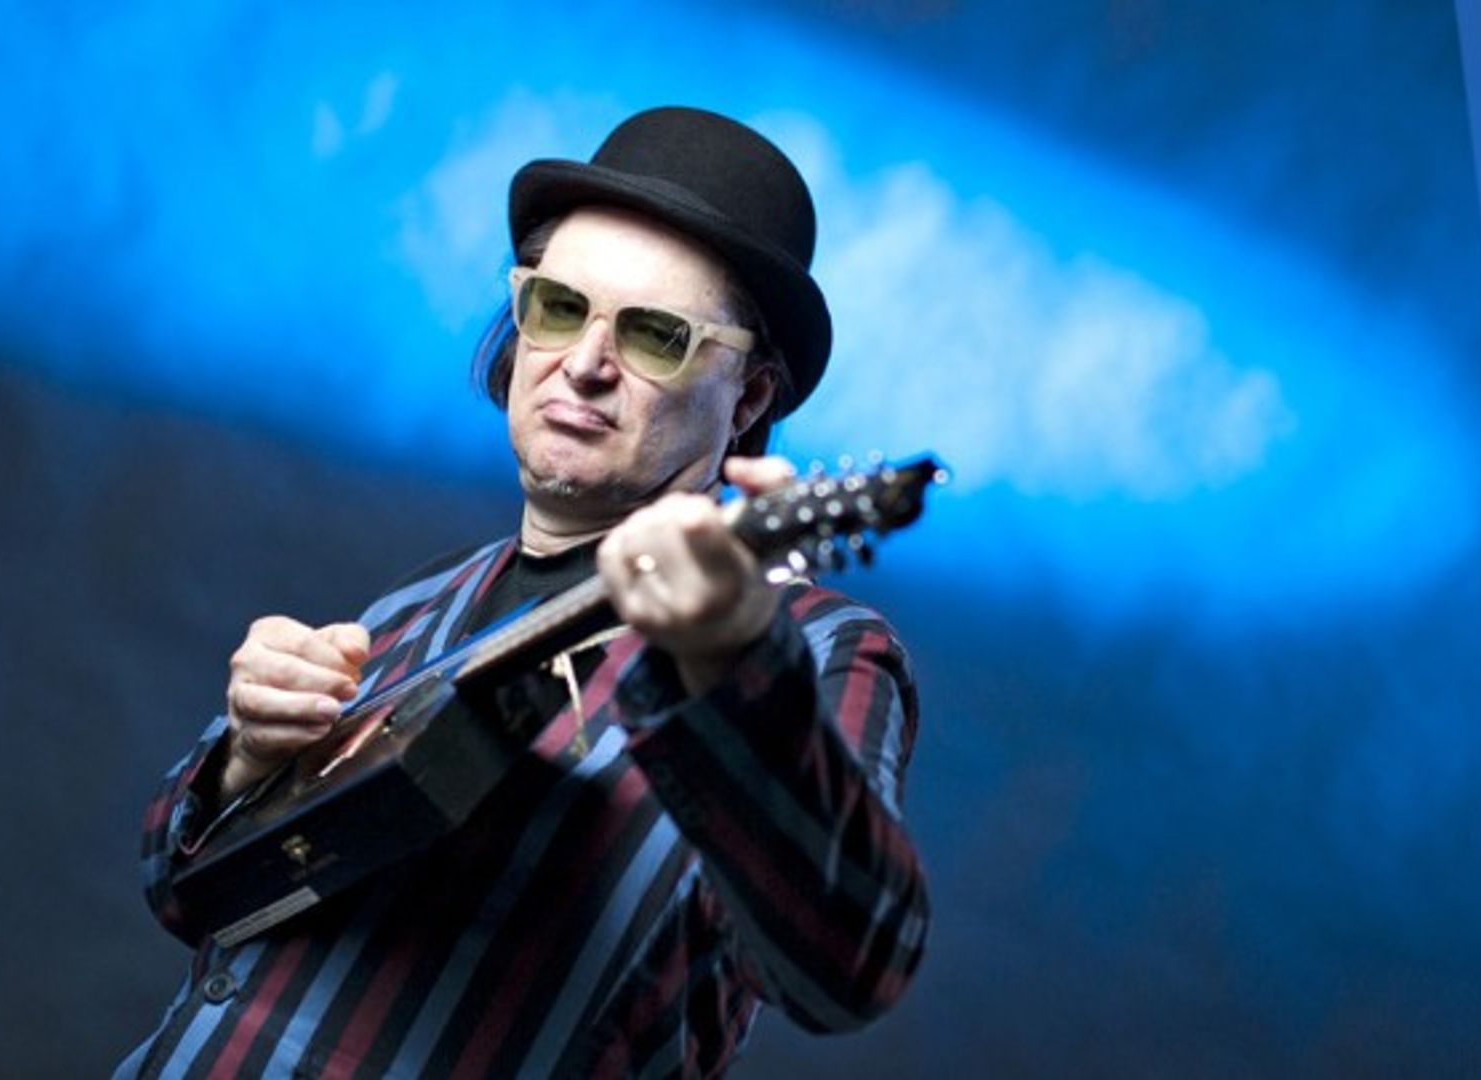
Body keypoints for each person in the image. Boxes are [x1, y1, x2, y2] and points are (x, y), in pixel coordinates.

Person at [118, 106, 927, 1079]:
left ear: (749, 397)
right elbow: (187, 896)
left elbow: (850, 966)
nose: (583, 364)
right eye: (558, 307)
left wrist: (732, 661)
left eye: (655, 335)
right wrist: (246, 762)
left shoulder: (815, 645)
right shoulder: (413, 611)